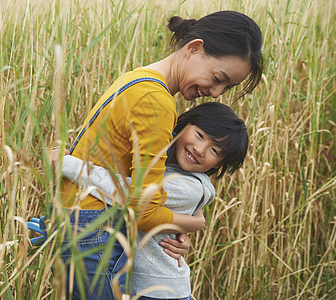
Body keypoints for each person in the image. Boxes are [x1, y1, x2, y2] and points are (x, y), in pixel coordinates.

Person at [33, 10, 263, 299]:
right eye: (218, 78)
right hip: (97, 231)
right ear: (194, 48)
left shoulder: (137, 79)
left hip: (80, 223)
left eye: (227, 87)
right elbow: (145, 212)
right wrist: (194, 222)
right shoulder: (156, 102)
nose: (217, 92)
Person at [60, 102, 249, 299]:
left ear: (219, 165)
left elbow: (126, 192)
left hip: (160, 289)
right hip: (141, 284)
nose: (200, 149)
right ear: (183, 123)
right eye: (200, 135)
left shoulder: (188, 187)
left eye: (215, 151)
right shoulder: (164, 163)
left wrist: (71, 166)